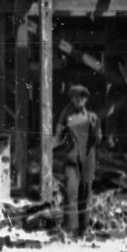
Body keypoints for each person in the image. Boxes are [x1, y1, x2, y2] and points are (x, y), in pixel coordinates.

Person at [53, 83, 103, 239]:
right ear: (72, 99)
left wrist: (95, 129)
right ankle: (71, 228)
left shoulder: (92, 117)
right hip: (71, 159)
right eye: (75, 97)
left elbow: (98, 140)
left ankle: (84, 229)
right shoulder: (66, 114)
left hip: (88, 158)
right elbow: (58, 135)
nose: (78, 99)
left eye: (81, 96)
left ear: (86, 99)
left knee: (85, 193)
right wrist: (66, 145)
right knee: (71, 191)